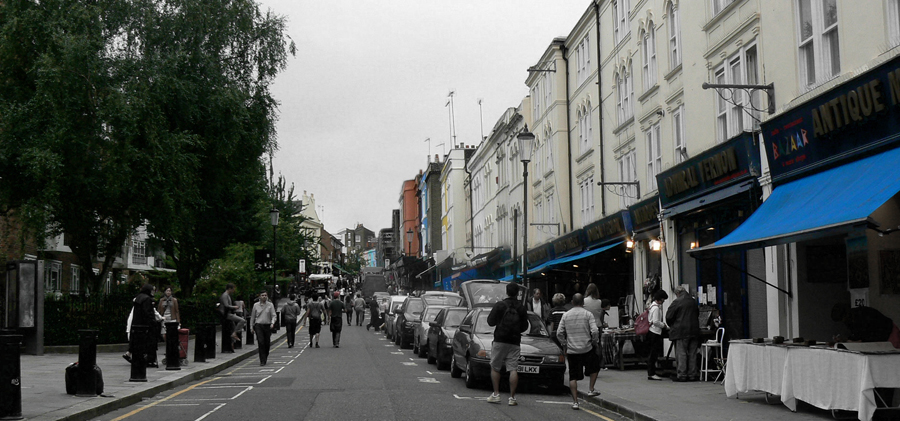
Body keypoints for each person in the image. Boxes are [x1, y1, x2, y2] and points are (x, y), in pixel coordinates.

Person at [485, 282, 528, 406]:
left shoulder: (500, 305)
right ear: (518, 293)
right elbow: (525, 326)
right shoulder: (521, 307)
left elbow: (490, 322)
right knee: (513, 368)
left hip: (500, 339)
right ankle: (512, 398)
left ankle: (496, 394)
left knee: (495, 366)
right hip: (515, 341)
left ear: (506, 291)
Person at [557, 293, 601, 410]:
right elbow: (595, 331)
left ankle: (575, 402)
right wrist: (593, 341)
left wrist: (564, 343)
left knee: (573, 377)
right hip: (587, 348)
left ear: (572, 302)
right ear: (583, 303)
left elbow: (559, 333)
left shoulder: (566, 315)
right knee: (595, 367)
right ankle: (591, 389)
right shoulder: (588, 314)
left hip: (572, 350)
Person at [666, 286, 700, 382]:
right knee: (692, 353)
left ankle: (682, 374)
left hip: (681, 331)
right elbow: (697, 314)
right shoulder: (693, 301)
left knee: (682, 353)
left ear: (677, 293)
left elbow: (669, 317)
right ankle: (692, 374)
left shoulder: (677, 302)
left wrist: (673, 325)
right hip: (694, 330)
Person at [831, 302, 900, 347]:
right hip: (880, 339)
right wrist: (846, 340)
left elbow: (865, 336)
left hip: (889, 334)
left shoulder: (864, 314)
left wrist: (853, 341)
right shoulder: (850, 320)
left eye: (843, 319)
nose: (844, 321)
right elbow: (857, 335)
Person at [646, 290, 669, 381]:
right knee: (653, 353)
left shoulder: (651, 306)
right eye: (663, 299)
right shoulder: (656, 308)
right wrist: (664, 325)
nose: (664, 301)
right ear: (660, 299)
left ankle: (651, 372)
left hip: (651, 331)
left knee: (652, 353)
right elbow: (655, 321)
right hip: (655, 332)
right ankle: (652, 373)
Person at [250, 291, 276, 365]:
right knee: (261, 342)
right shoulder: (255, 305)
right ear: (259, 297)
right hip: (258, 325)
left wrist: (272, 323)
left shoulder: (270, 305)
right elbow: (252, 317)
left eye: (265, 295)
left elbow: (274, 315)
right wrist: (251, 327)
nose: (264, 296)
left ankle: (265, 356)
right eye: (262, 295)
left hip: (267, 325)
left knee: (267, 343)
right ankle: (262, 360)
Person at [219, 283, 246, 348]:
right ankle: (234, 334)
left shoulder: (227, 295)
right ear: (230, 288)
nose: (234, 290)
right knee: (242, 320)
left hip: (229, 313)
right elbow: (226, 305)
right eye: (233, 289)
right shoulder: (225, 295)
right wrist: (234, 307)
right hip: (226, 314)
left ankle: (232, 341)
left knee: (233, 327)